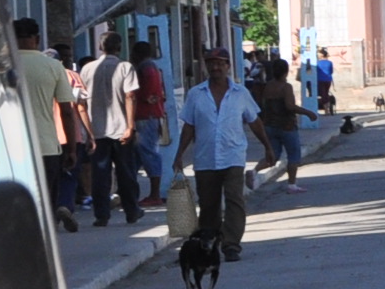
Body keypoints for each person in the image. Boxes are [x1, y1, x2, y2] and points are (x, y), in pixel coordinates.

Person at [174, 47, 261, 260]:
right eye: (211, 63)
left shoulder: (241, 93)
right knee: (208, 204)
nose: (215, 67)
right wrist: (178, 155)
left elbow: (254, 120)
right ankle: (210, 242)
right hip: (205, 158)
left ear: (228, 66)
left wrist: (267, 147)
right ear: (206, 66)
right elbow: (189, 126)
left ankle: (231, 245)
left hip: (233, 156)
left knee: (234, 200)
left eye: (220, 63)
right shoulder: (196, 94)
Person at [11, 18, 86, 232]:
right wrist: (71, 148)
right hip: (46, 147)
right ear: (37, 39)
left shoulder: (2, 64)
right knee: (46, 202)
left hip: (10, 148)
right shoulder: (53, 66)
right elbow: (66, 112)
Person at [77, 30, 144, 226]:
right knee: (126, 172)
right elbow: (130, 96)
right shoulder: (125, 67)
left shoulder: (87, 69)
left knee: (100, 174)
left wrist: (87, 131)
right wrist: (130, 126)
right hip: (121, 128)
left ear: (100, 47)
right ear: (120, 47)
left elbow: (81, 103)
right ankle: (131, 211)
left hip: (97, 130)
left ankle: (102, 214)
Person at [252, 57, 305, 184]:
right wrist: (308, 113)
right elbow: (289, 106)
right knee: (293, 156)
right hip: (287, 126)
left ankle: (254, 171)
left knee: (273, 156)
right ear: (286, 72)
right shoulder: (286, 87)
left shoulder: (267, 86)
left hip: (270, 125)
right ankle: (292, 184)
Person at [130, 38, 170, 206]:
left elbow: (148, 95)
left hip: (146, 116)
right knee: (139, 155)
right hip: (150, 115)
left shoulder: (145, 69)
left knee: (148, 153)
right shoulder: (152, 68)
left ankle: (154, 194)